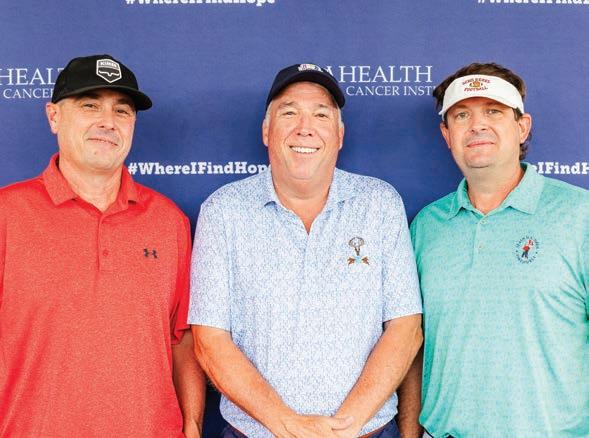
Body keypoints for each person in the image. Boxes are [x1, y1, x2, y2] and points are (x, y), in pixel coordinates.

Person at [189, 63, 423, 438]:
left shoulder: (379, 203)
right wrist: (287, 424)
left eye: (321, 114)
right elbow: (209, 339)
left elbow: (405, 327)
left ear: (340, 135)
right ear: (266, 131)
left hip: (365, 432)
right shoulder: (223, 211)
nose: (305, 127)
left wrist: (345, 427)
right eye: (289, 113)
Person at [0, 54, 205, 437]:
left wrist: (192, 425)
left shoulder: (168, 222)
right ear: (54, 116)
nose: (108, 121)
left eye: (122, 110)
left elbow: (182, 338)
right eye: (89, 105)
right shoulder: (6, 214)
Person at [411, 62, 589, 437]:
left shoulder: (579, 215)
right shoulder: (427, 226)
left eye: (493, 111)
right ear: (446, 134)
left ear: (522, 126)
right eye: (462, 114)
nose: (477, 125)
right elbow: (411, 343)